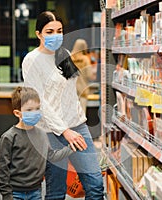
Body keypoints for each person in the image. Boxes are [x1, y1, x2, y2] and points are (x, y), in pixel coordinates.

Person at [22, 11, 104, 200]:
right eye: (49, 31)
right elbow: (38, 101)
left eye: (59, 31)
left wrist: (76, 123)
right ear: (38, 34)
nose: (56, 35)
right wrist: (64, 130)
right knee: (56, 192)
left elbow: (70, 95)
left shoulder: (64, 54)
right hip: (51, 133)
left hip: (77, 127)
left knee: (96, 185)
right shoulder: (31, 60)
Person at [0, 86, 74, 200]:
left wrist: (71, 148)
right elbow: (3, 169)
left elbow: (51, 156)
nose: (35, 113)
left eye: (37, 108)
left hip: (36, 191)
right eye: (29, 110)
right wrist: (7, 195)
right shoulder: (9, 137)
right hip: (15, 193)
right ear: (17, 113)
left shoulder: (42, 134)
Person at [71, 39, 93, 113]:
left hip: (70, 89)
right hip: (83, 89)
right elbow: (89, 75)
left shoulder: (69, 58)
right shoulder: (85, 59)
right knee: (82, 113)